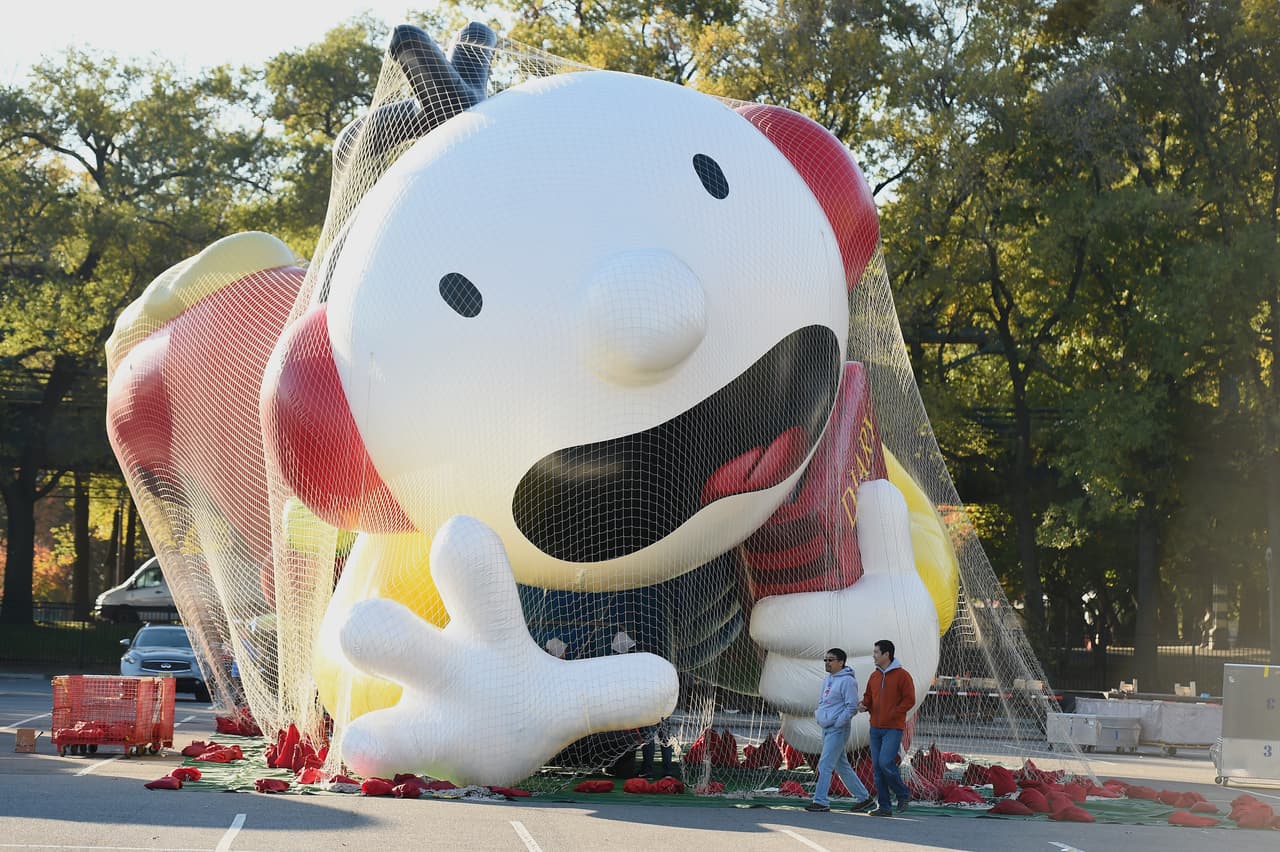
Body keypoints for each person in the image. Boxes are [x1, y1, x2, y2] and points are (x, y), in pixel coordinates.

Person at [805, 648, 875, 813]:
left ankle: (821, 801)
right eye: (826, 660)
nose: (827, 663)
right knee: (841, 765)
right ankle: (864, 798)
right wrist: (820, 716)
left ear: (841, 662)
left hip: (837, 729)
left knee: (825, 764)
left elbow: (852, 706)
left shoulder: (848, 681)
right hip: (827, 727)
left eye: (831, 660)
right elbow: (824, 701)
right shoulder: (829, 678)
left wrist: (838, 722)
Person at [857, 639, 915, 816]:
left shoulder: (902, 675)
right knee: (877, 767)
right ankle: (884, 806)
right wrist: (864, 705)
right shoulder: (874, 676)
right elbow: (868, 696)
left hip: (893, 728)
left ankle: (903, 793)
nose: (873, 656)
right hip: (875, 727)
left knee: (885, 763)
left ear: (886, 654)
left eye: (876, 652)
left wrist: (895, 713)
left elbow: (909, 699)